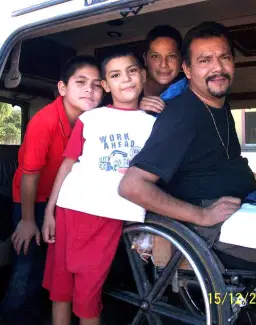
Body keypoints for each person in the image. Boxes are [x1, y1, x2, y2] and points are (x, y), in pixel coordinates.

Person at [118, 21, 256, 289]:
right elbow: (131, 185)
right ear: (187, 69)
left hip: (248, 208)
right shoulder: (182, 114)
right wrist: (201, 215)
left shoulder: (218, 102)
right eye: (204, 60)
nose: (217, 68)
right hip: (212, 227)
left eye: (224, 57)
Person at [42, 47, 156, 325]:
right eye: (116, 75)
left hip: (110, 217)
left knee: (88, 297)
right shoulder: (90, 119)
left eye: (131, 72)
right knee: (60, 291)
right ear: (106, 86)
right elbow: (67, 166)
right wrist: (49, 212)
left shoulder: (155, 124)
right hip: (69, 207)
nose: (126, 79)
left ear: (142, 76)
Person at [0, 55, 104, 325]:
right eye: (80, 82)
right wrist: (27, 220)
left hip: (63, 202)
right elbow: (29, 176)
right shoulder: (44, 122)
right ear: (62, 88)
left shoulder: (95, 121)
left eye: (96, 84)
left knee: (54, 269)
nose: (89, 90)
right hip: (30, 200)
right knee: (26, 268)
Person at [140, 25, 186, 114]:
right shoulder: (130, 86)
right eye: (155, 56)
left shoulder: (187, 86)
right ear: (145, 59)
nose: (163, 65)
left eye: (171, 56)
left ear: (181, 60)